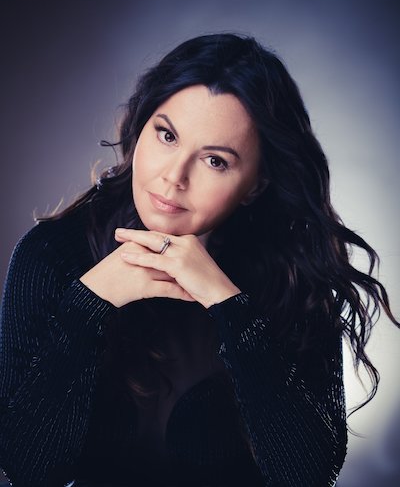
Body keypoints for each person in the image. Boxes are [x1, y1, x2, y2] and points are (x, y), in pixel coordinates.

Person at [0, 34, 397, 487]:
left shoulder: (293, 276)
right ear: (140, 126)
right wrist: (89, 302)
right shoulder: (51, 254)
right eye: (167, 135)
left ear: (256, 185)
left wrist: (229, 305)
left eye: (215, 161)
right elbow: (28, 470)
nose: (174, 176)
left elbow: (308, 478)